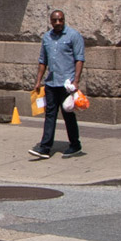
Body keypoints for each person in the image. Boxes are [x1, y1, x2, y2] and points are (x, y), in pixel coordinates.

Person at [29, 10, 84, 159]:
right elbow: (43, 60)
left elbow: (79, 59)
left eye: (60, 20)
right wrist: (38, 81)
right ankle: (45, 147)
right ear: (51, 22)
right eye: (55, 20)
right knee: (50, 115)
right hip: (51, 83)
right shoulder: (47, 37)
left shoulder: (73, 36)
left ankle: (75, 145)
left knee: (68, 115)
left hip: (67, 84)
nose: (58, 23)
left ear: (64, 20)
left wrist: (76, 81)